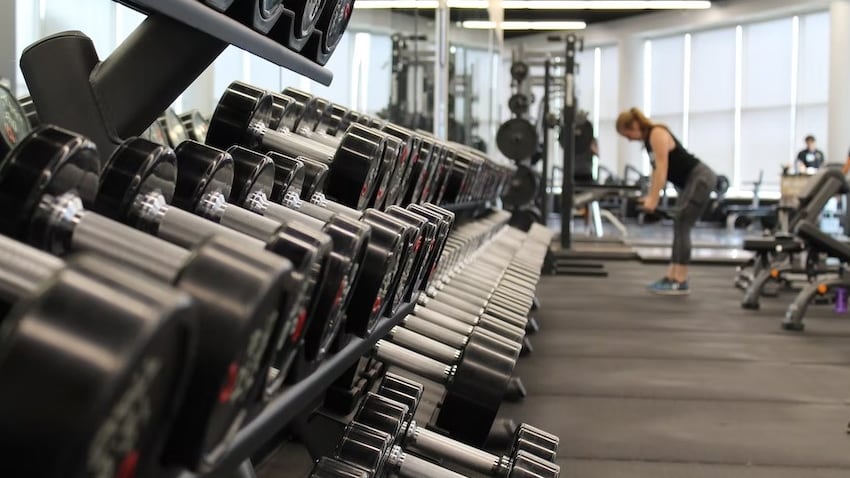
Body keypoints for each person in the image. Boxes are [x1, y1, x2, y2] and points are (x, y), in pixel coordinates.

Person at [616, 107, 718, 295]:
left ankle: (680, 279)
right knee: (679, 224)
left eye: (627, 133)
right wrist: (650, 196)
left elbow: (662, 169)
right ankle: (672, 276)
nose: (629, 139)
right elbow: (656, 172)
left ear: (635, 125)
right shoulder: (649, 141)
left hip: (700, 179)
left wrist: (653, 200)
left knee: (683, 223)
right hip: (690, 182)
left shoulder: (657, 133)